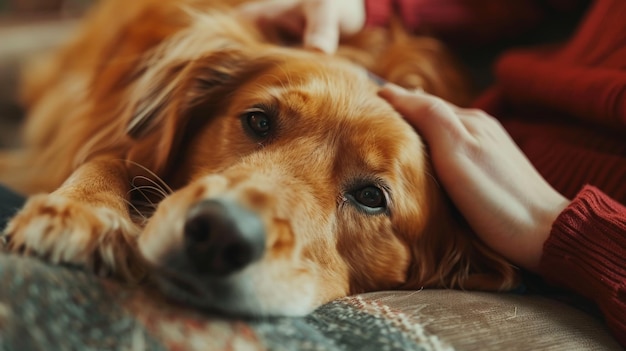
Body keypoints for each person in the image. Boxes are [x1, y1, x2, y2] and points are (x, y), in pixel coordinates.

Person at [238, 0, 626, 346]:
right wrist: (378, 11)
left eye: (370, 196)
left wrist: (562, 225)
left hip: (561, 262)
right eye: (258, 124)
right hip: (473, 127)